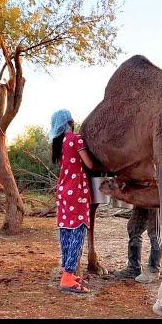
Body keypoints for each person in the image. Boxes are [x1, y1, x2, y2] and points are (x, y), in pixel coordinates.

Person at [49, 109, 95, 294]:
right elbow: (89, 164)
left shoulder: (58, 142)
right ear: (70, 121)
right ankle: (68, 277)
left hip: (64, 190)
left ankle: (67, 272)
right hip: (77, 190)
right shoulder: (76, 139)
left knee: (66, 231)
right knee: (78, 230)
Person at [113, 207, 161, 283]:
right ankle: (133, 268)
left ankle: (154, 269)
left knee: (155, 230)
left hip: (156, 198)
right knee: (134, 227)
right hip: (142, 199)